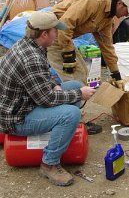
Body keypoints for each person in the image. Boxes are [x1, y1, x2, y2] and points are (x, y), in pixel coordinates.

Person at [0, 11, 96, 186]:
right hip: (18, 118)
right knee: (71, 113)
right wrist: (80, 94)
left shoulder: (31, 45)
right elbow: (47, 99)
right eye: (54, 31)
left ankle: (58, 134)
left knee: (73, 84)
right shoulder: (30, 58)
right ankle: (49, 163)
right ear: (44, 34)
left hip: (26, 102)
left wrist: (54, 84)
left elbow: (43, 76)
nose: (57, 34)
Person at [49, 0, 129, 84]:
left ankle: (76, 95)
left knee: (83, 71)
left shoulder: (107, 19)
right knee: (74, 78)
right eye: (127, 11)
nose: (127, 15)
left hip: (64, 37)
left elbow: (107, 47)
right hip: (52, 32)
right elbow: (65, 23)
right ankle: (71, 96)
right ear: (120, 3)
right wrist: (68, 54)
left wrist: (116, 75)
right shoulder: (94, 1)